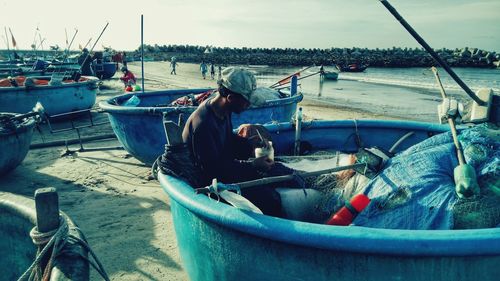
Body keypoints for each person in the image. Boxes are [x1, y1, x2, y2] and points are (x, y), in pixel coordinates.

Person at [183, 67, 292, 216]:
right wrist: (253, 165)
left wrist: (251, 145)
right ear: (230, 98)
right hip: (211, 183)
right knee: (270, 201)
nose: (249, 106)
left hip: (223, 168)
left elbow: (226, 141)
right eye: (246, 102)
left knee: (278, 172)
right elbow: (212, 170)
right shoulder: (203, 125)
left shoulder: (221, 109)